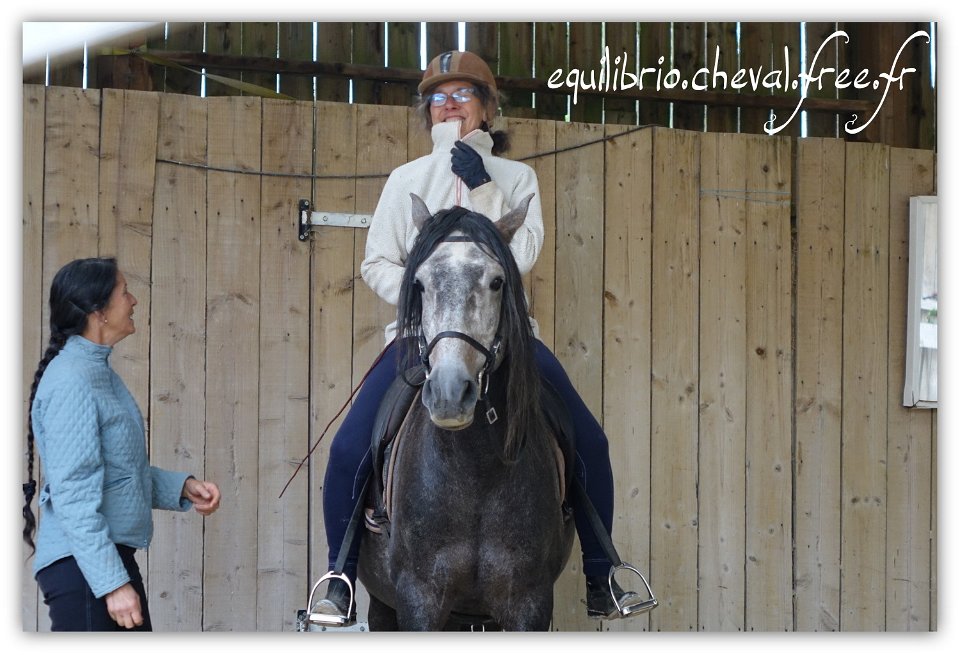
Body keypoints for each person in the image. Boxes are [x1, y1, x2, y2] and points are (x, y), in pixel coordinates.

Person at [317, 50, 641, 624]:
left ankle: (602, 574)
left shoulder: (518, 179)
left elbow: (522, 255)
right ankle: (340, 575)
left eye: (463, 94)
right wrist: (424, 299)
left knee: (589, 442)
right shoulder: (406, 181)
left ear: (489, 108)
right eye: (438, 97)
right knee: (347, 450)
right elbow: (376, 263)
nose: (449, 104)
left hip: (505, 340)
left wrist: (481, 183)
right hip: (421, 339)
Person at [21, 257, 222, 631]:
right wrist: (112, 584)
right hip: (85, 570)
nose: (133, 301)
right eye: (124, 292)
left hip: (101, 563)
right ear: (98, 311)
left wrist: (182, 486)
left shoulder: (96, 372)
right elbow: (74, 495)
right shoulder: (72, 381)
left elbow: (116, 470)